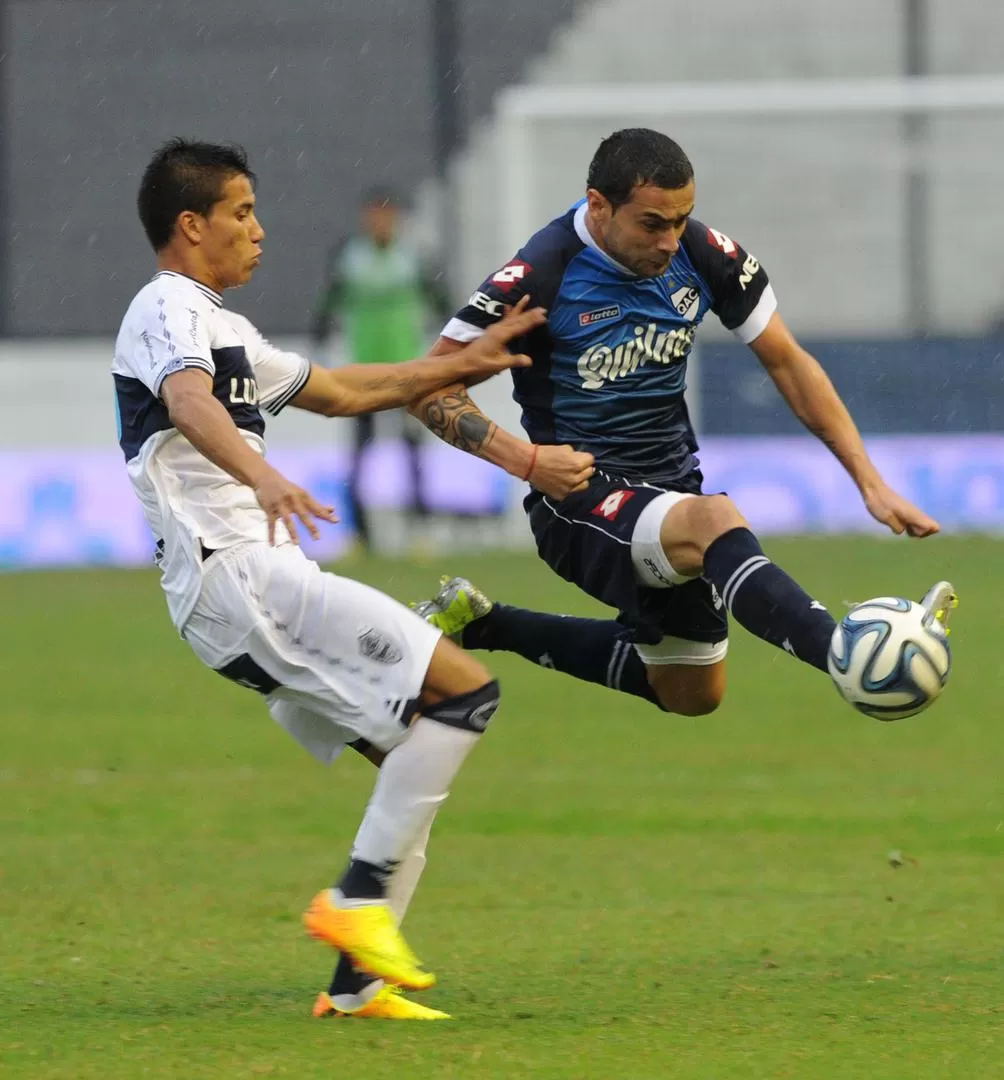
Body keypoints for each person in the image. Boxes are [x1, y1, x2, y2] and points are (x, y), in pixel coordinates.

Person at [113, 138, 558, 1020]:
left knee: (409, 757)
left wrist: (468, 361)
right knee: (464, 695)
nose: (259, 230)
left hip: (239, 585)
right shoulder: (164, 305)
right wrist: (265, 477)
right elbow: (193, 403)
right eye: (242, 213)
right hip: (236, 572)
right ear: (190, 225)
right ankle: (356, 907)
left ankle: (357, 990)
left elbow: (352, 389)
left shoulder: (227, 328)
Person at [409, 128, 957, 714]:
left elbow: (788, 363)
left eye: (682, 219)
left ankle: (484, 623)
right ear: (598, 205)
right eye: (652, 224)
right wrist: (529, 461)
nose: (671, 240)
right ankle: (853, 655)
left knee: (691, 693)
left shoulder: (704, 254)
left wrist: (868, 481)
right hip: (577, 500)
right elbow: (427, 386)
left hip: (670, 490)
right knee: (715, 521)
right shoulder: (542, 273)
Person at [311, 188, 449, 551]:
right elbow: (326, 309)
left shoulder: (414, 258)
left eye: (386, 216)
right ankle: (359, 535)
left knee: (414, 453)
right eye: (374, 216)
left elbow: (443, 304)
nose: (380, 223)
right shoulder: (349, 258)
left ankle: (421, 532)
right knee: (359, 455)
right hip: (365, 374)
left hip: (409, 371)